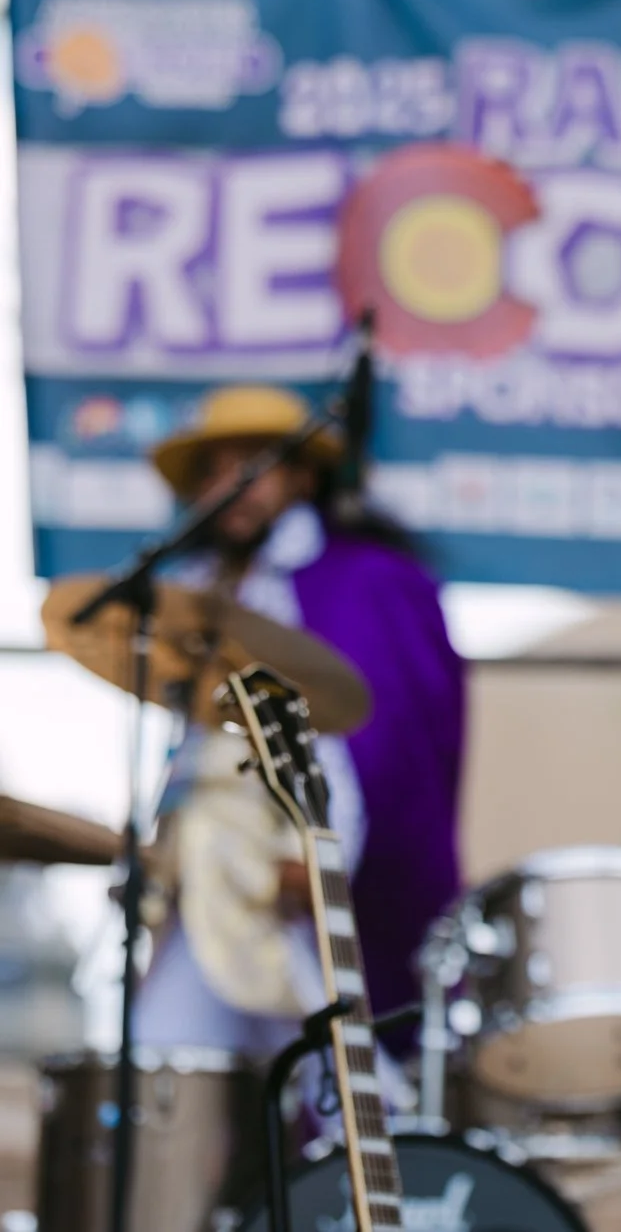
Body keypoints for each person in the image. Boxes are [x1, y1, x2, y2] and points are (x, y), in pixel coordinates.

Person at [132, 384, 465, 1059]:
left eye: (251, 467)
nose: (232, 487)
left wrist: (316, 859)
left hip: (311, 890)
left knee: (336, 1082)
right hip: (213, 886)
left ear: (304, 476)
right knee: (167, 1061)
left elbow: (389, 743)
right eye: (215, 470)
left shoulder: (366, 581)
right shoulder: (199, 592)